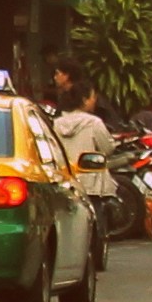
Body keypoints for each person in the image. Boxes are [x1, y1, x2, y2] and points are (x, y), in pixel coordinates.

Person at [51, 85, 121, 257]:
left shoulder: (55, 123)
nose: (94, 101)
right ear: (83, 100)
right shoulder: (94, 123)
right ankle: (94, 253)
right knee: (94, 219)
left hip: (64, 178)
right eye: (92, 97)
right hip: (90, 180)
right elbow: (107, 147)